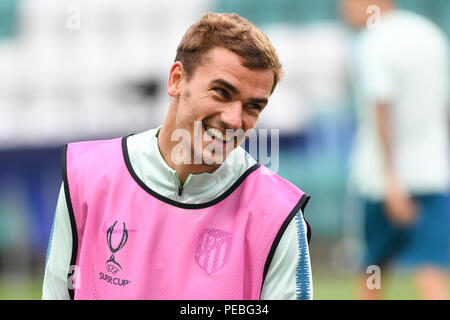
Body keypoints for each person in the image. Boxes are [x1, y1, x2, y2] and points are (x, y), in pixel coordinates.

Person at [42, 12, 313, 300]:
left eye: (253, 106)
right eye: (221, 92)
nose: (235, 120)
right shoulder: (87, 176)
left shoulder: (278, 214)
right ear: (177, 80)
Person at [340, 0, 450, 299]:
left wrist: (391, 179)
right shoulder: (432, 35)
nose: (343, 6)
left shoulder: (373, 41)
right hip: (432, 174)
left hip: (379, 181)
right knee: (433, 274)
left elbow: (382, 105)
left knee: (371, 273)